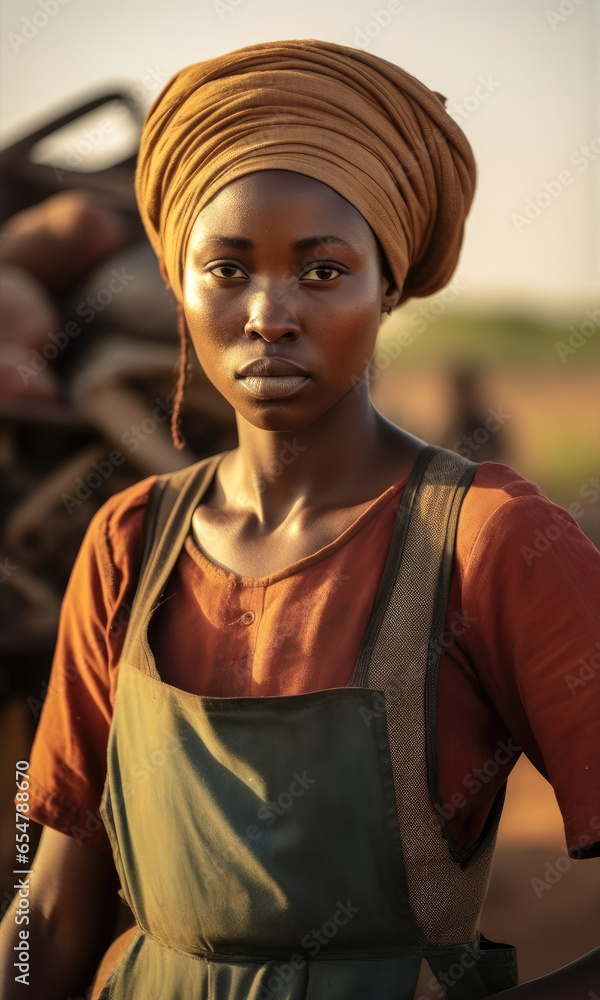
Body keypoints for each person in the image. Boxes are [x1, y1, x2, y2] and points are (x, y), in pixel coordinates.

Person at [1, 38, 599, 1000]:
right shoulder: (128, 543)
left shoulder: (490, 541)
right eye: (226, 268)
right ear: (176, 282)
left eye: (322, 271)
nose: (268, 312)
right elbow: (54, 915)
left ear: (390, 284)